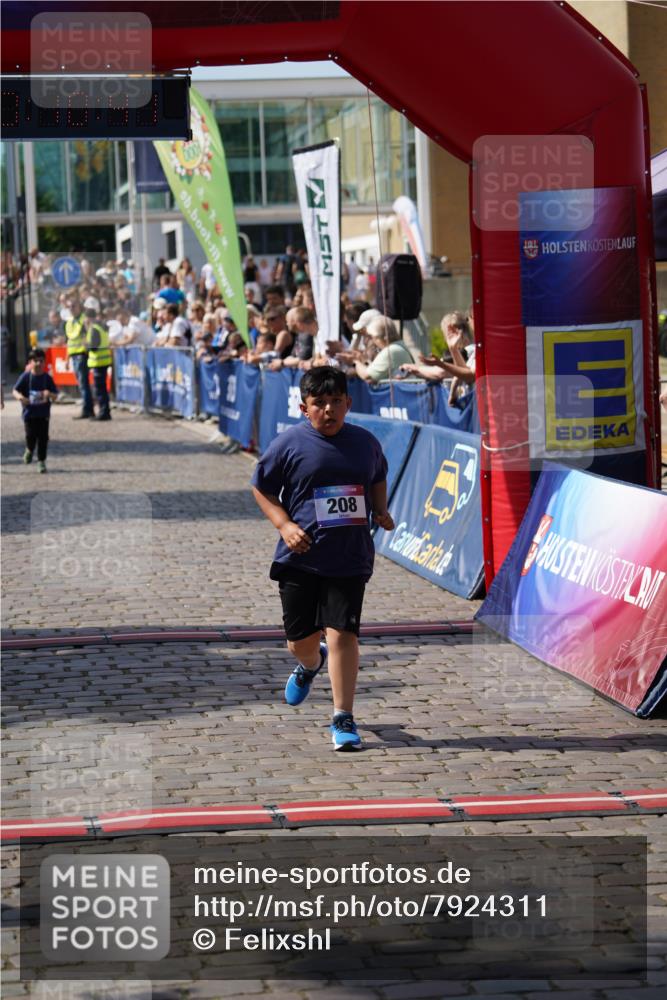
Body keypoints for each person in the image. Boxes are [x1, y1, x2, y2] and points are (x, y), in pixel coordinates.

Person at [251, 366, 395, 751]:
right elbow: (261, 488)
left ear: (348, 403)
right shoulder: (288, 444)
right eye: (319, 403)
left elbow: (377, 476)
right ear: (304, 407)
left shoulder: (365, 443)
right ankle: (310, 663)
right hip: (300, 557)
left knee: (344, 633)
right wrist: (284, 525)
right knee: (300, 642)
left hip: (349, 555)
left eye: (336, 401)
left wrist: (380, 509)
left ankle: (342, 716)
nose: (328, 409)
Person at [13, 348, 58, 473]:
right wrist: (21, 398)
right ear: (30, 362)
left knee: (43, 438)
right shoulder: (26, 377)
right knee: (30, 436)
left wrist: (49, 394)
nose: (38, 363)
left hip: (43, 414)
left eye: (41, 361)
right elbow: (15, 390)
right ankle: (29, 449)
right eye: (36, 361)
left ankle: (41, 461)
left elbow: (55, 395)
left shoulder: (47, 378)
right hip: (29, 414)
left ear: (45, 362)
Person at [353, 316, 413, 383]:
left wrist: (355, 361)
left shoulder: (391, 350)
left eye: (373, 337)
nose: (373, 341)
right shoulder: (397, 346)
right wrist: (364, 361)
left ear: (384, 338)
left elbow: (366, 375)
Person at [65, 293, 94, 419]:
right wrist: (67, 359)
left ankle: (87, 410)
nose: (71, 309)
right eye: (70, 307)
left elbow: (90, 335)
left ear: (79, 307)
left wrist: (87, 349)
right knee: (81, 384)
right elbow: (69, 341)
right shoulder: (69, 322)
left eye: (74, 306)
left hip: (82, 354)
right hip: (73, 355)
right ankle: (88, 409)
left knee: (83, 384)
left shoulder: (84, 319)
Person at [83, 299, 112, 420]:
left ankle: (103, 412)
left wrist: (86, 345)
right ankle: (105, 411)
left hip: (98, 362)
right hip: (103, 361)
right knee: (102, 389)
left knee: (99, 389)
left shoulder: (94, 328)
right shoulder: (101, 326)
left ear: (88, 318)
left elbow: (94, 347)